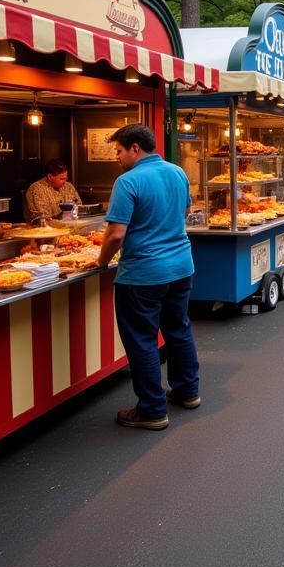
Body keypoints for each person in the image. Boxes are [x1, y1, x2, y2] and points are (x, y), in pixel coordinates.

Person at [96, 124, 198, 430]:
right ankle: (187, 391)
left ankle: (152, 409)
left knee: (142, 339)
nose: (117, 156)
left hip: (142, 274)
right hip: (181, 267)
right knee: (178, 329)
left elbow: (116, 234)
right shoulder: (177, 172)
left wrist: (101, 262)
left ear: (135, 149)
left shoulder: (127, 182)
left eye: (118, 150)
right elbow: (184, 212)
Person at [24, 159, 82, 224]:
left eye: (66, 178)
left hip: (69, 226)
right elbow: (42, 218)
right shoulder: (36, 189)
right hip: (43, 231)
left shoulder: (69, 186)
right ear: (50, 177)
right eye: (62, 179)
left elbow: (79, 207)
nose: (65, 182)